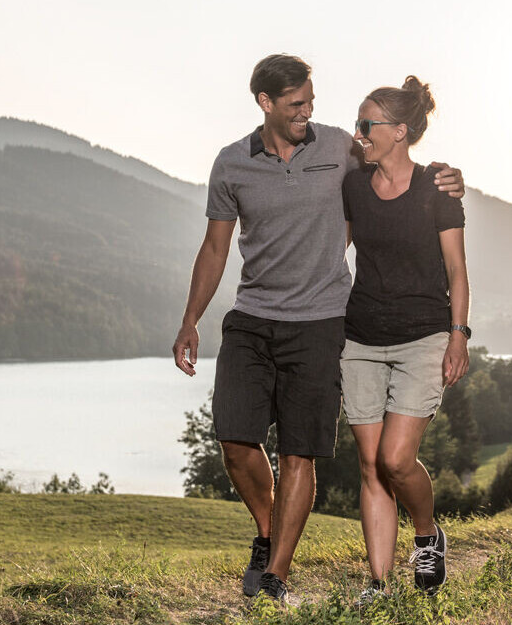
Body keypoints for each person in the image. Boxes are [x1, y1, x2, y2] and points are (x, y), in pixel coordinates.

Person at [172, 55, 463, 605]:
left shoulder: (337, 147)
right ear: (265, 103)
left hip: (322, 321)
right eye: (296, 103)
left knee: (300, 453)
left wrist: (451, 177)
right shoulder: (231, 163)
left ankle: (276, 576)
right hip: (252, 316)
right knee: (235, 440)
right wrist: (190, 320)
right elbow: (214, 248)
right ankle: (268, 532)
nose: (308, 111)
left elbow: (399, 162)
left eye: (311, 100)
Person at [341, 76, 469, 606]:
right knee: (370, 465)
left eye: (366, 124)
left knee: (396, 460)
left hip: (423, 337)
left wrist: (458, 335)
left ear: (398, 131)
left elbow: (457, 271)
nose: (358, 133)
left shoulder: (437, 188)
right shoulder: (352, 186)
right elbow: (334, 251)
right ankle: (379, 584)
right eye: (357, 123)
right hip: (360, 338)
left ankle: (426, 533)